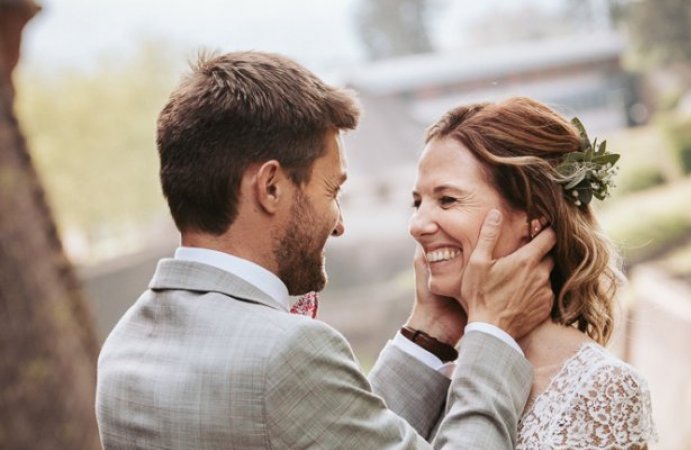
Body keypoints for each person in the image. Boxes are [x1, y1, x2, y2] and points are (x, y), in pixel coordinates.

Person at [95, 51, 558, 449]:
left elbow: (326, 430)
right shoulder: (284, 353)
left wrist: (428, 334)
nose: (338, 223)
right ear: (271, 187)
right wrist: (491, 333)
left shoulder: (125, 348)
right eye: (331, 191)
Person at [410, 96, 657, 449]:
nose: (416, 225)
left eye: (447, 199)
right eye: (417, 202)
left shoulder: (601, 389)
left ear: (533, 215)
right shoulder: (432, 381)